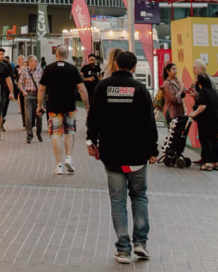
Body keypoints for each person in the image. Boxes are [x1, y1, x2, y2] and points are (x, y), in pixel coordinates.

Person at [86, 50, 159, 264]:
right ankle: (140, 243)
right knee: (139, 196)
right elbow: (149, 123)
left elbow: (94, 117)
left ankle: (124, 249)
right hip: (137, 155)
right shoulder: (141, 89)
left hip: (112, 154)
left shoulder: (103, 87)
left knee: (117, 201)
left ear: (116, 65)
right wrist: (153, 150)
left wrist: (91, 141)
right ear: (134, 68)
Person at [37, 44, 88, 174]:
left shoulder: (48, 69)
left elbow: (41, 89)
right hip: (70, 106)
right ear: (67, 55)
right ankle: (69, 157)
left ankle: (59, 165)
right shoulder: (73, 69)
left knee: (55, 134)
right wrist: (87, 106)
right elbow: (82, 89)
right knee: (69, 132)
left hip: (53, 107)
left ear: (56, 55)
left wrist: (39, 105)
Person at [191, 72, 218, 171]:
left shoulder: (203, 91)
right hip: (216, 119)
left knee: (205, 139)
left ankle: (208, 163)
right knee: (214, 140)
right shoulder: (213, 91)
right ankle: (216, 162)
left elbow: (202, 106)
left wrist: (193, 114)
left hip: (206, 120)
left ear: (200, 83)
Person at [19, 54, 43, 142]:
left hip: (38, 95)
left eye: (36, 60)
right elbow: (20, 83)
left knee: (39, 116)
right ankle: (29, 135)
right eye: (34, 60)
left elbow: (43, 83)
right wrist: (25, 93)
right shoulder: (24, 71)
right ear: (30, 62)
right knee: (28, 116)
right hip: (28, 95)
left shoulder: (40, 70)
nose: (36, 62)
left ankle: (39, 133)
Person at [0, 48, 15, 139]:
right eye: (0, 54)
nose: (1, 56)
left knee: (1, 109)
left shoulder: (5, 65)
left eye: (3, 54)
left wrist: (11, 92)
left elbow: (9, 78)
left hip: (2, 90)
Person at [161, 62, 187, 127]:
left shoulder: (176, 81)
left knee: (179, 134)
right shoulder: (167, 83)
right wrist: (181, 90)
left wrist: (181, 85)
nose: (175, 71)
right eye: (173, 69)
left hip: (179, 112)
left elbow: (182, 95)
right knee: (173, 135)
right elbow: (173, 99)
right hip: (171, 113)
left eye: (176, 69)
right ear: (168, 71)